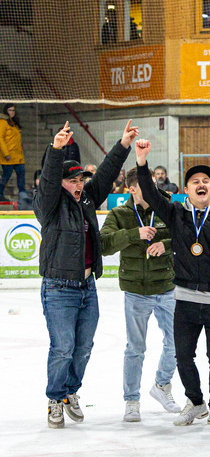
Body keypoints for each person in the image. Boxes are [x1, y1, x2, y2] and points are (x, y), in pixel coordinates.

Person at [134, 138, 210, 428]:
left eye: (205, 180)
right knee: (183, 356)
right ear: (186, 190)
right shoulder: (176, 213)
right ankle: (195, 402)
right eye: (195, 180)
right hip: (184, 299)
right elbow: (150, 193)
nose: (201, 184)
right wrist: (142, 162)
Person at [36, 119, 138, 428]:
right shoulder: (50, 205)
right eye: (72, 180)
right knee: (63, 347)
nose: (78, 184)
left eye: (81, 179)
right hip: (58, 287)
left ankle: (70, 393)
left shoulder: (88, 200)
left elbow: (105, 174)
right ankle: (55, 398)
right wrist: (56, 150)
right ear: (61, 184)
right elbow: (50, 180)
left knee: (83, 348)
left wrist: (123, 145)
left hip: (86, 286)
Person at [99, 166, 180, 421]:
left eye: (155, 183)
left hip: (167, 287)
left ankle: (161, 385)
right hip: (135, 291)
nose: (154, 188)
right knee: (135, 348)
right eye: (147, 185)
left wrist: (164, 245)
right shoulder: (120, 214)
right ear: (132, 189)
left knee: (177, 343)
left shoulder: (168, 209)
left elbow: (186, 238)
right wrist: (135, 234)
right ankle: (131, 400)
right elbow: (103, 245)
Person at [0, 103, 26, 203]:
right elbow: (0, 138)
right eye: (10, 110)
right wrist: (6, 153)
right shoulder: (3, 122)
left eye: (13, 110)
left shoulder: (14, 123)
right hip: (8, 156)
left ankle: (22, 194)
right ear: (6, 111)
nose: (12, 112)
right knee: (6, 175)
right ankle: (0, 194)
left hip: (18, 156)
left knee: (21, 173)